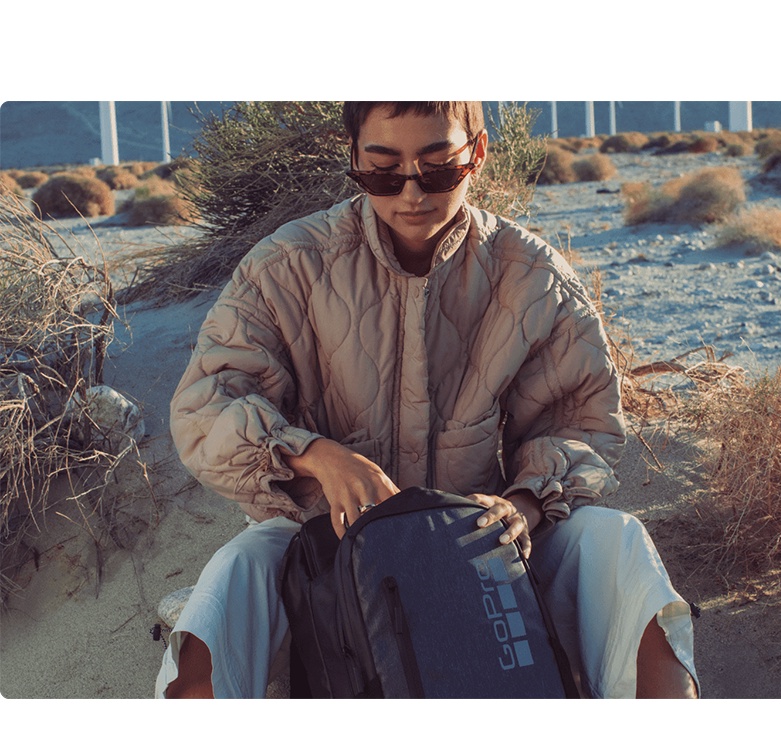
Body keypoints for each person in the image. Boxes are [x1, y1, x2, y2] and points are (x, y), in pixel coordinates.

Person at [155, 101, 699, 699]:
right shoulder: (288, 265)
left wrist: (524, 504)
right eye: (383, 171)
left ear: (478, 154)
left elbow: (581, 422)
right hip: (325, 543)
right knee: (231, 581)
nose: (412, 193)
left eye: (438, 168)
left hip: (484, 540)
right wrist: (317, 456)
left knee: (617, 542)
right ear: (354, 157)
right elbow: (206, 407)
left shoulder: (531, 273)